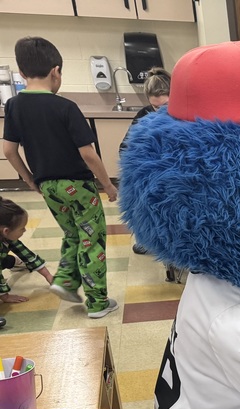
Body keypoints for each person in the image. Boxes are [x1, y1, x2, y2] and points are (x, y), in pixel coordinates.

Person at [2, 37, 119, 319]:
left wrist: (30, 180)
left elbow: (9, 150)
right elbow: (88, 155)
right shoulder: (65, 107)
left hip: (48, 186)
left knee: (73, 234)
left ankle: (66, 282)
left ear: (22, 73)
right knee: (92, 240)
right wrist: (107, 184)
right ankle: (97, 303)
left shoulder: (14, 105)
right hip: (78, 186)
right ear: (56, 71)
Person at [119, 67, 172, 258]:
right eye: (155, 107)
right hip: (151, 173)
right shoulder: (144, 115)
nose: (160, 111)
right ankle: (147, 239)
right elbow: (125, 148)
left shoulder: (185, 114)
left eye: (165, 105)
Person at [0, 196, 55, 329]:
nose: (25, 231)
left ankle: (12, 262)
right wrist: (4, 296)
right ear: (6, 231)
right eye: (22, 228)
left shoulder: (7, 237)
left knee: (5, 258)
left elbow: (27, 254)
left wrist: (48, 276)